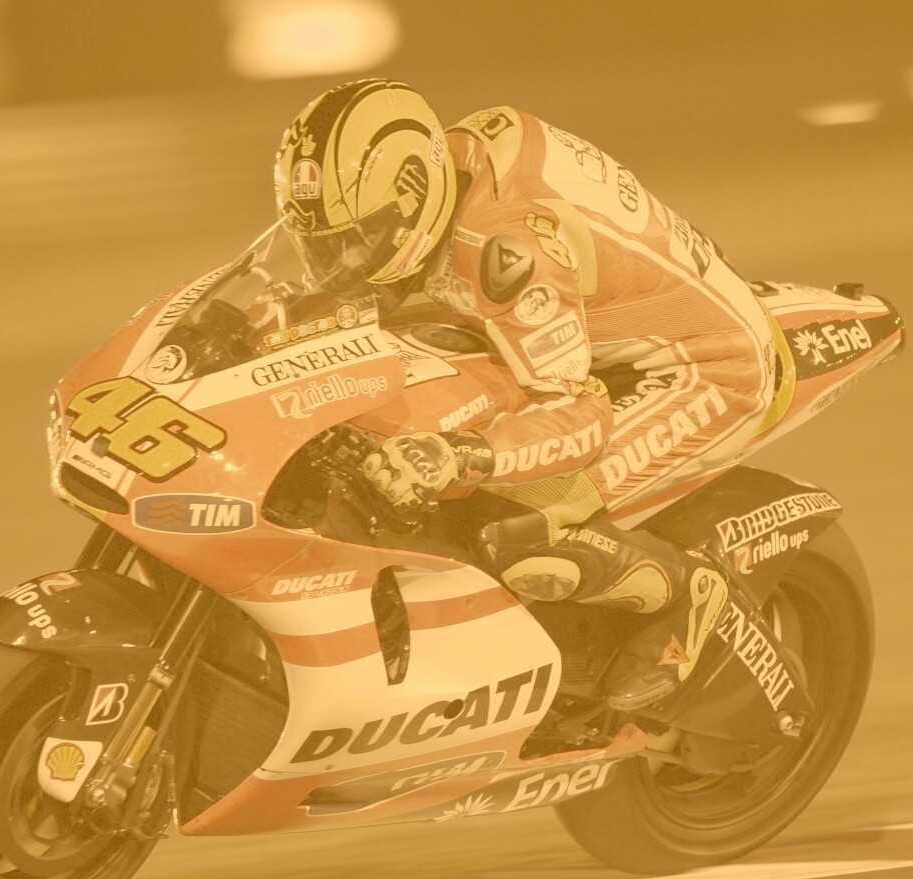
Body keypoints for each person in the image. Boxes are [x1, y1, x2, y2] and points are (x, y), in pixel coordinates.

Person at [272, 79, 778, 711]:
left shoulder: (505, 247)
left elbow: (579, 416)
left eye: (358, 240)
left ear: (412, 196)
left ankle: (687, 592)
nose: (339, 266)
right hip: (596, 336)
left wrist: (459, 455)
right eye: (320, 245)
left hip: (702, 367)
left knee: (508, 527)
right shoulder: (437, 174)